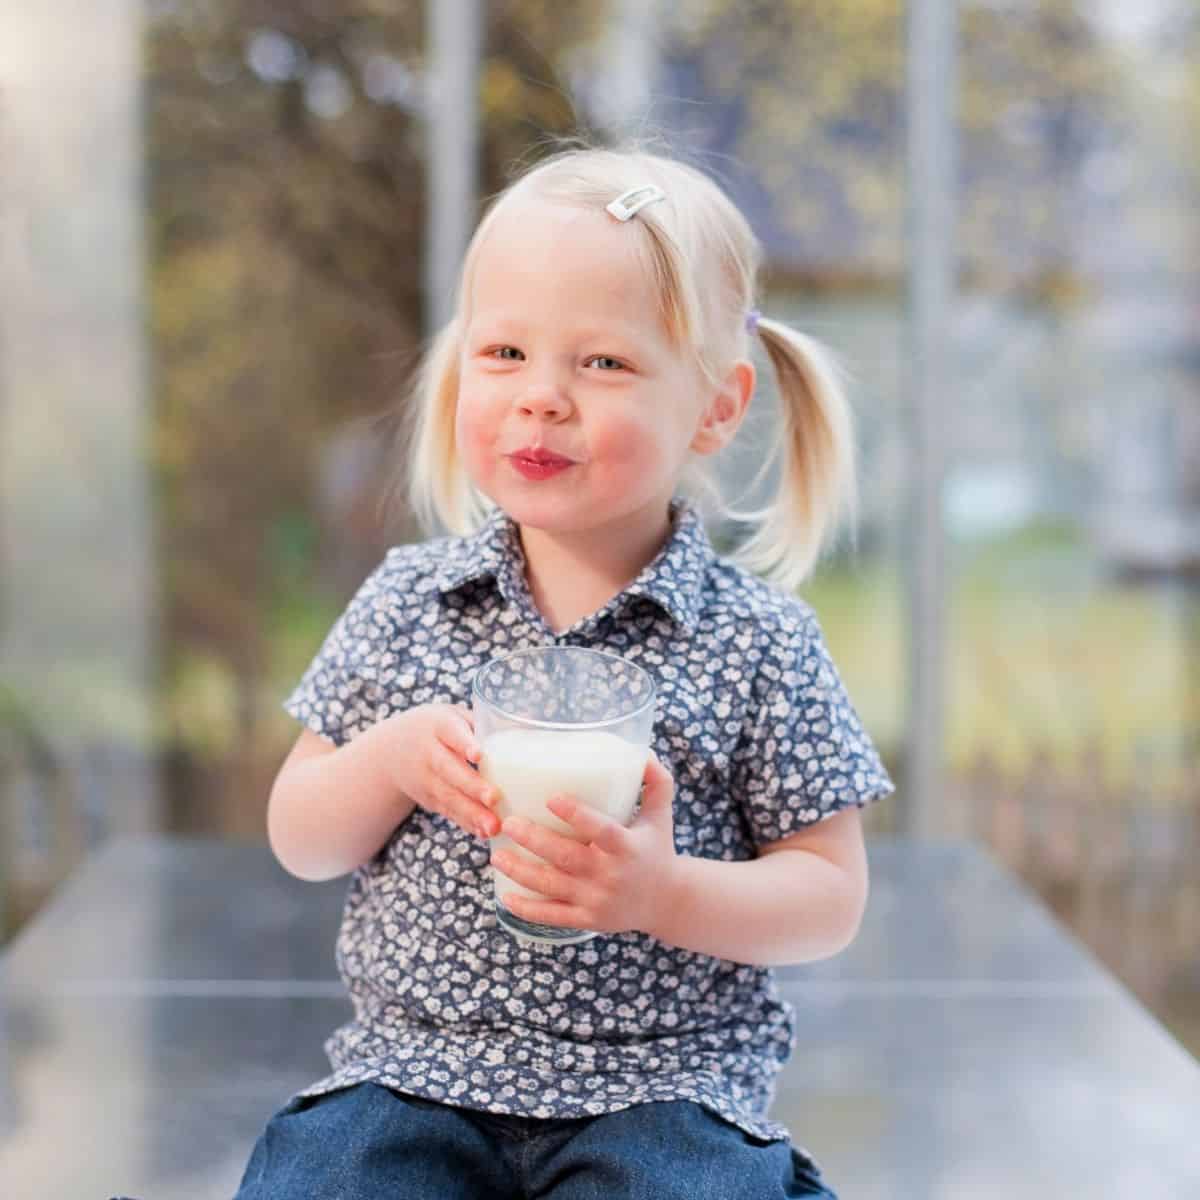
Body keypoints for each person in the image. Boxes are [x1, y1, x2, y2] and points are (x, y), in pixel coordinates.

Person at [234, 142, 895, 1200]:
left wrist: (662, 891)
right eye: (503, 353)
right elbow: (299, 836)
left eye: (604, 364)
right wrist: (393, 759)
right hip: (414, 1076)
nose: (541, 398)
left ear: (717, 407)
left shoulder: (761, 641)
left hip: (663, 1087)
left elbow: (828, 896)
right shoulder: (410, 603)